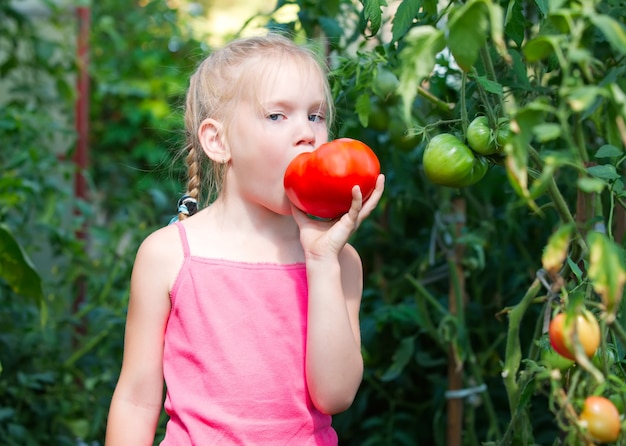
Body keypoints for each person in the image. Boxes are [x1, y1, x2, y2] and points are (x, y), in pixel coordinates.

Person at [105, 32, 385, 445]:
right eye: (277, 116)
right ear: (218, 142)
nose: (307, 134)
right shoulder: (168, 254)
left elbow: (335, 395)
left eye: (316, 115)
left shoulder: (339, 261)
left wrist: (322, 263)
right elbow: (136, 399)